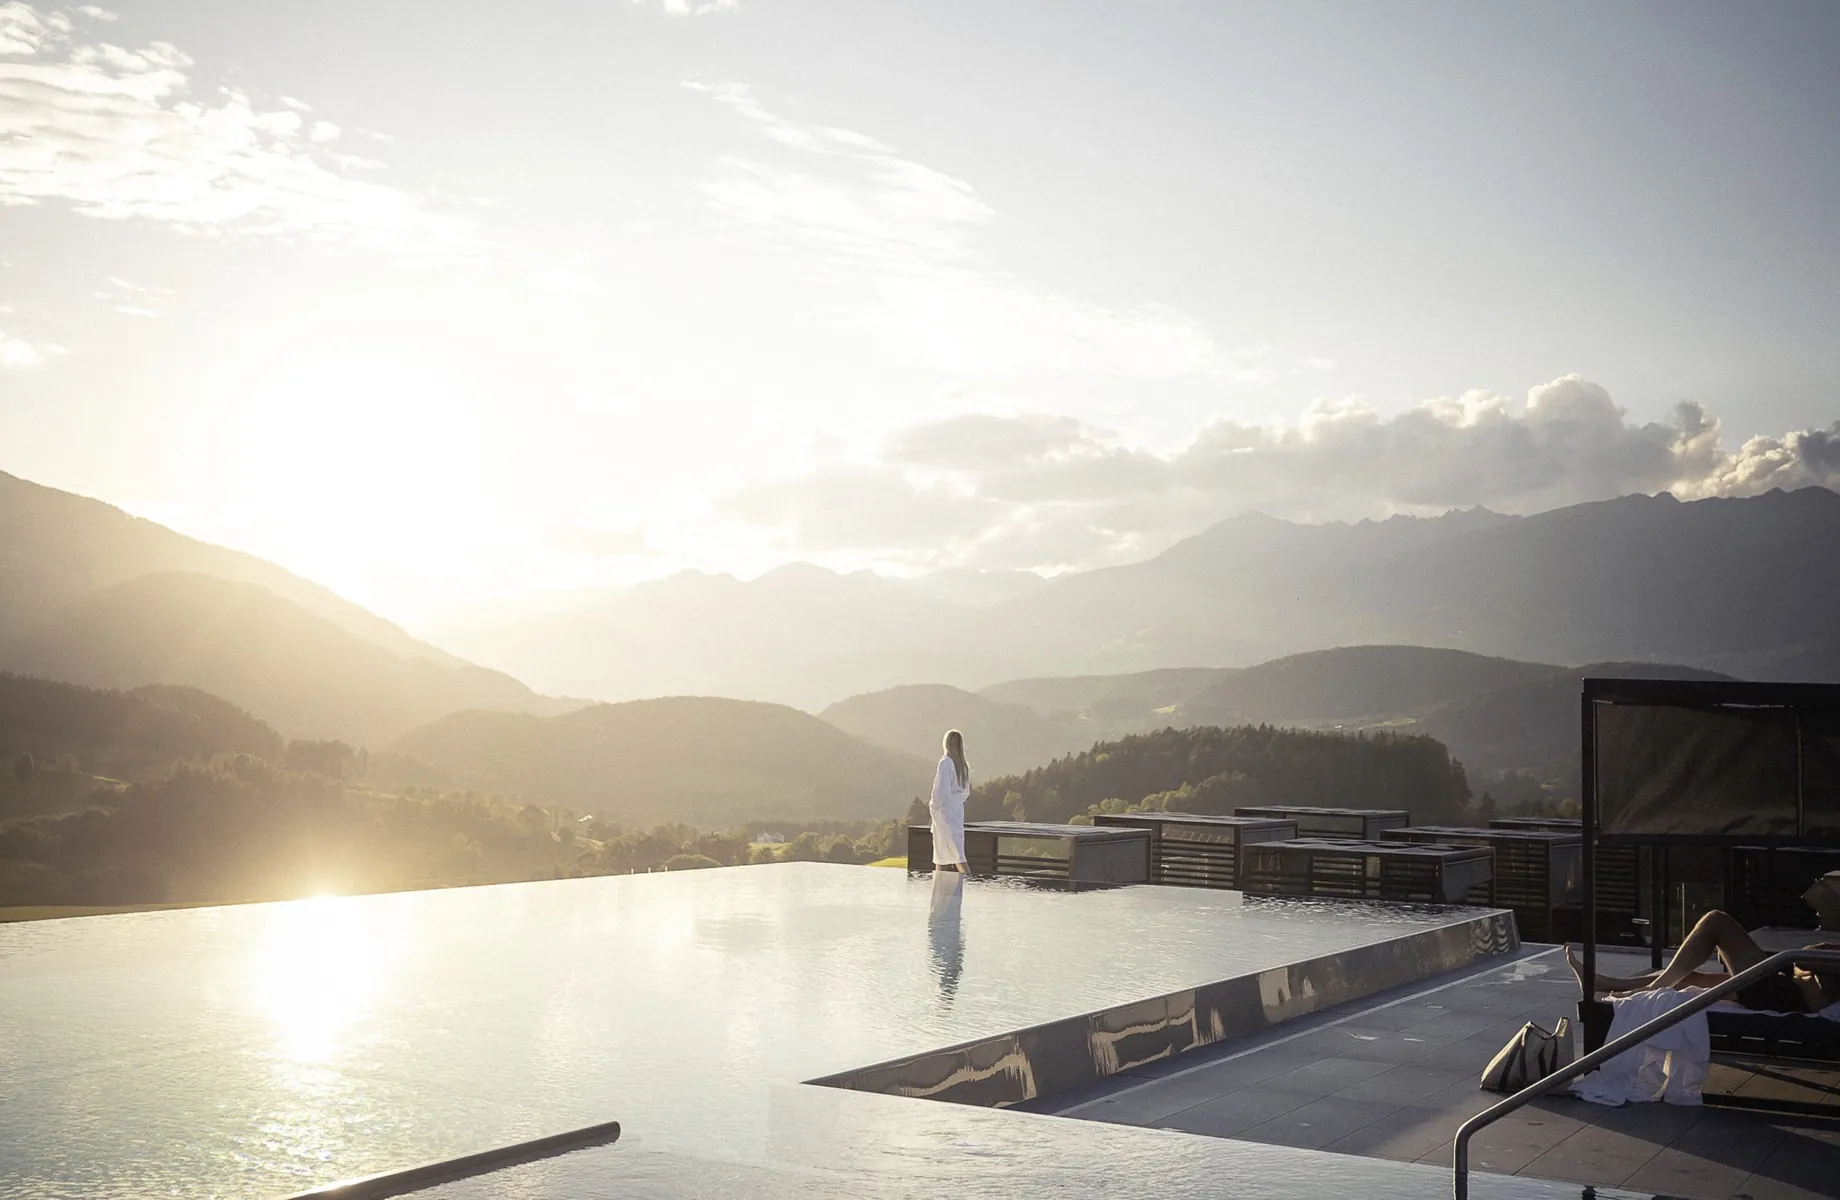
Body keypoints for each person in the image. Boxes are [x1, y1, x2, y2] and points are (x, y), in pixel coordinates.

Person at [1565, 909, 1840, 1014]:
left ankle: (1649, 991)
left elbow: (1808, 960)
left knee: (1716, 921)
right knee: (1691, 977)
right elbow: (1810, 959)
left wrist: (1814, 956)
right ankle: (1600, 983)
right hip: (1784, 987)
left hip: (1785, 995)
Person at [929, 729, 971, 873]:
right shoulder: (962, 765)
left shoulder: (945, 763)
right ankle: (941, 890)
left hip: (944, 813)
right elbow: (966, 792)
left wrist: (933, 807)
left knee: (951, 855)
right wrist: (956, 801)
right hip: (957, 812)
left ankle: (970, 885)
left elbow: (941, 791)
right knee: (951, 852)